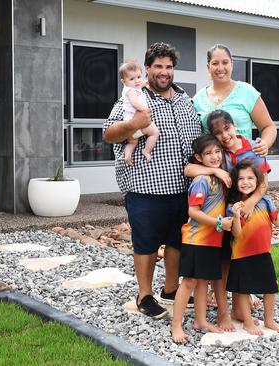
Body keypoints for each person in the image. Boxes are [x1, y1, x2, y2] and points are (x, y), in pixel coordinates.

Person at [103, 42, 202, 319]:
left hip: (183, 188)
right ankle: (144, 295)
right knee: (145, 243)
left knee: (176, 242)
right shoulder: (134, 97)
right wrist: (135, 124)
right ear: (147, 68)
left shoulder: (185, 99)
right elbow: (109, 133)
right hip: (145, 188)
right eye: (158, 66)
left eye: (169, 67)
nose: (164, 72)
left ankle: (170, 289)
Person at [184, 110, 271, 331]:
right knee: (222, 265)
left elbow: (263, 183)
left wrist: (250, 204)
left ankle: (239, 308)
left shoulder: (253, 148)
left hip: (249, 216)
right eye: (218, 132)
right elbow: (189, 169)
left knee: (241, 263)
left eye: (227, 129)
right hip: (223, 216)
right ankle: (223, 313)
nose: (224, 135)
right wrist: (216, 170)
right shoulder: (217, 152)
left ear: (235, 126)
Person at [171, 135, 232, 343]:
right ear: (199, 157)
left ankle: (200, 320)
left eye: (217, 152)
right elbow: (193, 211)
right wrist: (219, 223)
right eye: (208, 154)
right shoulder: (201, 181)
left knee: (202, 281)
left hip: (211, 241)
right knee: (189, 281)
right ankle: (176, 325)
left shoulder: (220, 178)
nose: (215, 157)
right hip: (196, 239)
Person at [227, 158, 279, 335]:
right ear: (236, 182)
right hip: (241, 254)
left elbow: (278, 223)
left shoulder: (265, 201)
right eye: (241, 179)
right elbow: (236, 234)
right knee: (243, 289)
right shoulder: (234, 205)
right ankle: (248, 322)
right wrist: (234, 215)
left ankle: (269, 320)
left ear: (257, 181)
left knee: (270, 286)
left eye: (250, 178)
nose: (246, 182)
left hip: (263, 252)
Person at [192, 44, 276, 158]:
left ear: (232, 65)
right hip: (215, 168)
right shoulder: (197, 100)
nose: (220, 68)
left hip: (245, 166)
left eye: (225, 62)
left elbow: (268, 127)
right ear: (208, 67)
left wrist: (265, 144)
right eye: (215, 63)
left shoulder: (246, 92)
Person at [118, 60, 159, 165]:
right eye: (132, 79)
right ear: (123, 81)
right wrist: (145, 109)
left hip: (131, 128)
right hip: (137, 122)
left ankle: (127, 156)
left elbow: (142, 84)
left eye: (139, 77)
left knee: (133, 141)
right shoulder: (131, 91)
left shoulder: (132, 87)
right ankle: (146, 151)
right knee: (154, 133)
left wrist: (145, 82)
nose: (136, 81)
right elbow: (135, 102)